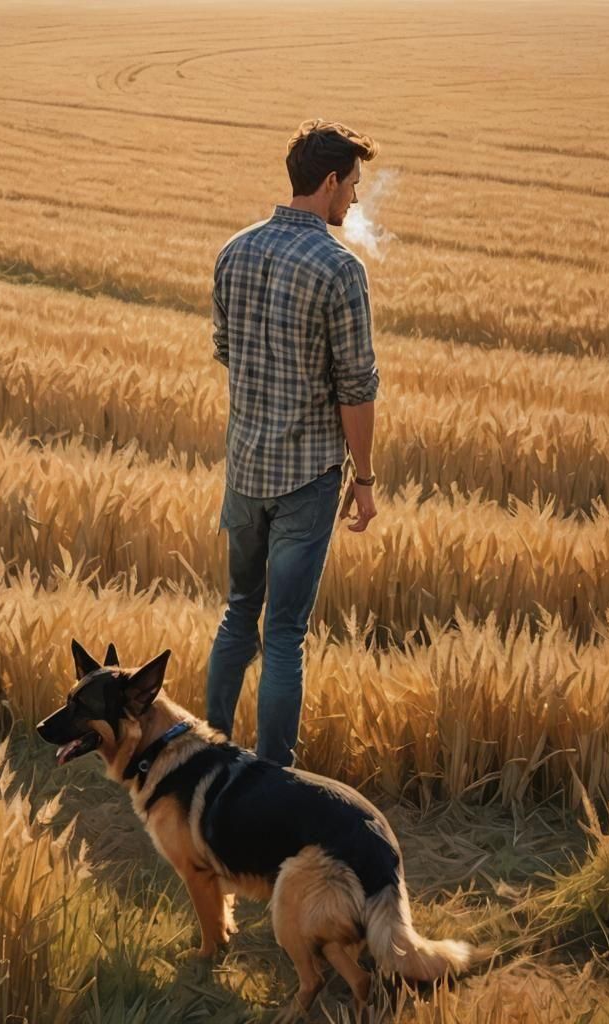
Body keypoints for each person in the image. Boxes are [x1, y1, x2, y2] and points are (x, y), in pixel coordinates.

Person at [205, 118, 381, 767]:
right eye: (353, 186)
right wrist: (362, 479)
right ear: (330, 181)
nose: (355, 200)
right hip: (306, 480)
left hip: (246, 470)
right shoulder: (339, 269)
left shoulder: (235, 250)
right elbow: (355, 387)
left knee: (237, 614)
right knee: (283, 635)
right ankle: (273, 776)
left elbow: (226, 349)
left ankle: (209, 757)